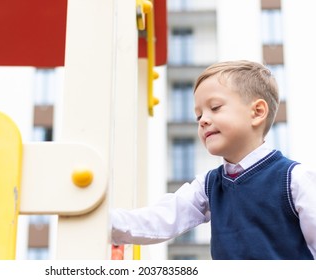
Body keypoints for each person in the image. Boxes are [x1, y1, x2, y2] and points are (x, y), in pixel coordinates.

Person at [111, 60, 316, 260]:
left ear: (257, 112)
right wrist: (106, 221)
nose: (203, 121)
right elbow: (162, 218)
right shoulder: (208, 186)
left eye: (215, 107)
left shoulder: (294, 179)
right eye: (198, 116)